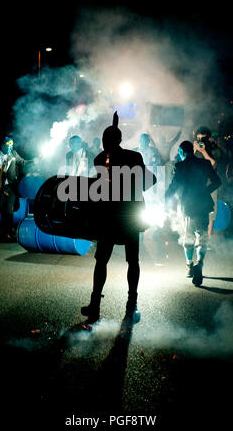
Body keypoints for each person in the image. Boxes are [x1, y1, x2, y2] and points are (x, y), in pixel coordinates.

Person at [81, 112, 156, 324]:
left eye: (107, 139)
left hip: (119, 216)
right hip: (120, 215)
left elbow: (98, 190)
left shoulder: (113, 158)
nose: (104, 143)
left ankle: (112, 303)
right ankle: (112, 304)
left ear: (111, 140)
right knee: (117, 260)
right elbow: (150, 181)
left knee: (118, 261)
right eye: (104, 139)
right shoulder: (129, 157)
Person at [165, 141, 221, 286]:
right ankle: (200, 263)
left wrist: (165, 199)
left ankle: (189, 266)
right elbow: (217, 181)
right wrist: (204, 192)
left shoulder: (180, 166)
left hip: (186, 208)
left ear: (182, 152)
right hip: (203, 205)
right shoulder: (204, 164)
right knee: (201, 236)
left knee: (187, 237)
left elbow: (173, 187)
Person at [0, 135, 29, 242]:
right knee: (3, 210)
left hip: (11, 187)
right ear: (2, 145)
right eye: (8, 145)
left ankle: (10, 232)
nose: (11, 147)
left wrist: (36, 161)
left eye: (12, 145)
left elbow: (22, 162)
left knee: (9, 209)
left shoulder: (13, 153)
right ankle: (7, 232)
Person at [194, 126, 222, 238]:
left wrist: (204, 151)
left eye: (203, 138)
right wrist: (194, 151)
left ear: (208, 138)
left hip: (211, 185)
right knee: (196, 210)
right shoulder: (196, 150)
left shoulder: (215, 150)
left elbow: (213, 165)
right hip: (198, 185)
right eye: (198, 138)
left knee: (210, 212)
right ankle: (198, 237)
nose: (200, 141)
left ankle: (207, 238)